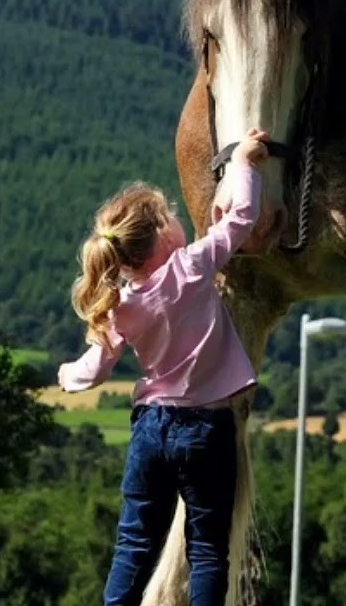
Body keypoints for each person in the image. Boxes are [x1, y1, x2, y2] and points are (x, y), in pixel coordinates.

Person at [57, 127, 271, 606]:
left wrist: (66, 375)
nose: (178, 219)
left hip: (150, 430)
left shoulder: (120, 304)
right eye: (171, 215)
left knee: (133, 546)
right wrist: (246, 164)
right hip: (207, 429)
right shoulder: (191, 267)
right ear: (159, 236)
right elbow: (240, 219)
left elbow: (93, 370)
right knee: (209, 549)